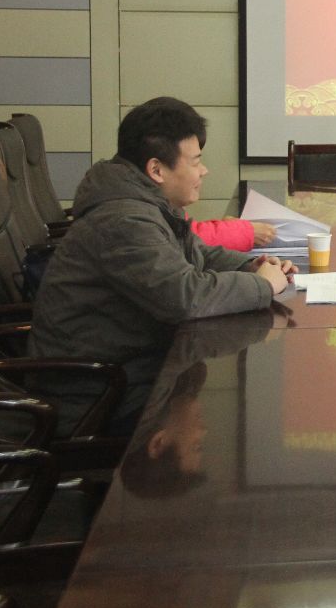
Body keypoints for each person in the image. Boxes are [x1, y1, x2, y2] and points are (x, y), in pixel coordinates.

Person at [31, 97, 294, 434]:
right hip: (95, 394)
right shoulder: (124, 220)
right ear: (156, 170)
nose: (204, 171)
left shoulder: (146, 203)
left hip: (129, 370)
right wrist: (263, 285)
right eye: (196, 162)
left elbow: (199, 254)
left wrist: (253, 265)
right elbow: (185, 297)